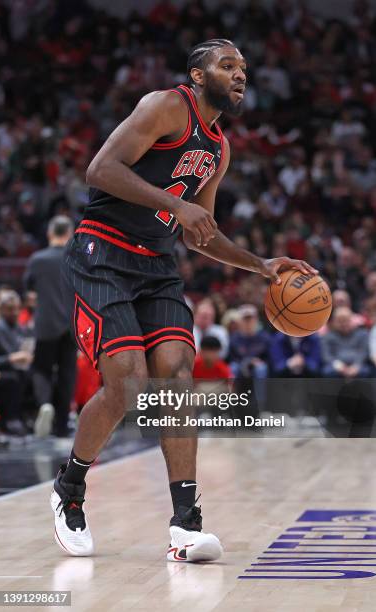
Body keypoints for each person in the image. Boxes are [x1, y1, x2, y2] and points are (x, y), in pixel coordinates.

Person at [53, 38, 317, 562]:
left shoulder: (218, 147)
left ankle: (186, 524)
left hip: (156, 265)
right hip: (101, 252)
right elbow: (100, 171)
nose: (240, 74)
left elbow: (202, 232)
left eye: (244, 67)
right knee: (126, 383)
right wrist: (177, 204)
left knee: (177, 376)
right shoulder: (165, 105)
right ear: (198, 75)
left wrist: (262, 265)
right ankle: (70, 487)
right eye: (227, 65)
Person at [24, 216, 77, 438]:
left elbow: (29, 291)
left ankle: (45, 405)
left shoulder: (37, 259)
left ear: (49, 233)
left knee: (41, 369)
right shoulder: (75, 257)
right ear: (70, 233)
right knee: (67, 373)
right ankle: (62, 425)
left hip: (46, 323)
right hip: (71, 324)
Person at [0, 290, 34, 435]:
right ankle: (11, 420)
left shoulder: (22, 329)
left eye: (17, 308)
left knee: (41, 375)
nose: (15, 312)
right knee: (13, 379)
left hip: (22, 370)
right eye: (10, 309)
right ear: (2, 309)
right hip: (3, 371)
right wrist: (10, 358)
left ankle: (34, 416)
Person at [321, 306, 371, 378]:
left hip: (357, 365)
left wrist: (356, 366)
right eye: (340, 321)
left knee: (366, 371)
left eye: (346, 320)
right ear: (334, 322)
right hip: (336, 366)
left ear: (352, 320)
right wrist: (338, 365)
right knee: (327, 371)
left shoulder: (362, 334)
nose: (343, 324)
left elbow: (364, 352)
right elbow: (326, 355)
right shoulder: (328, 336)